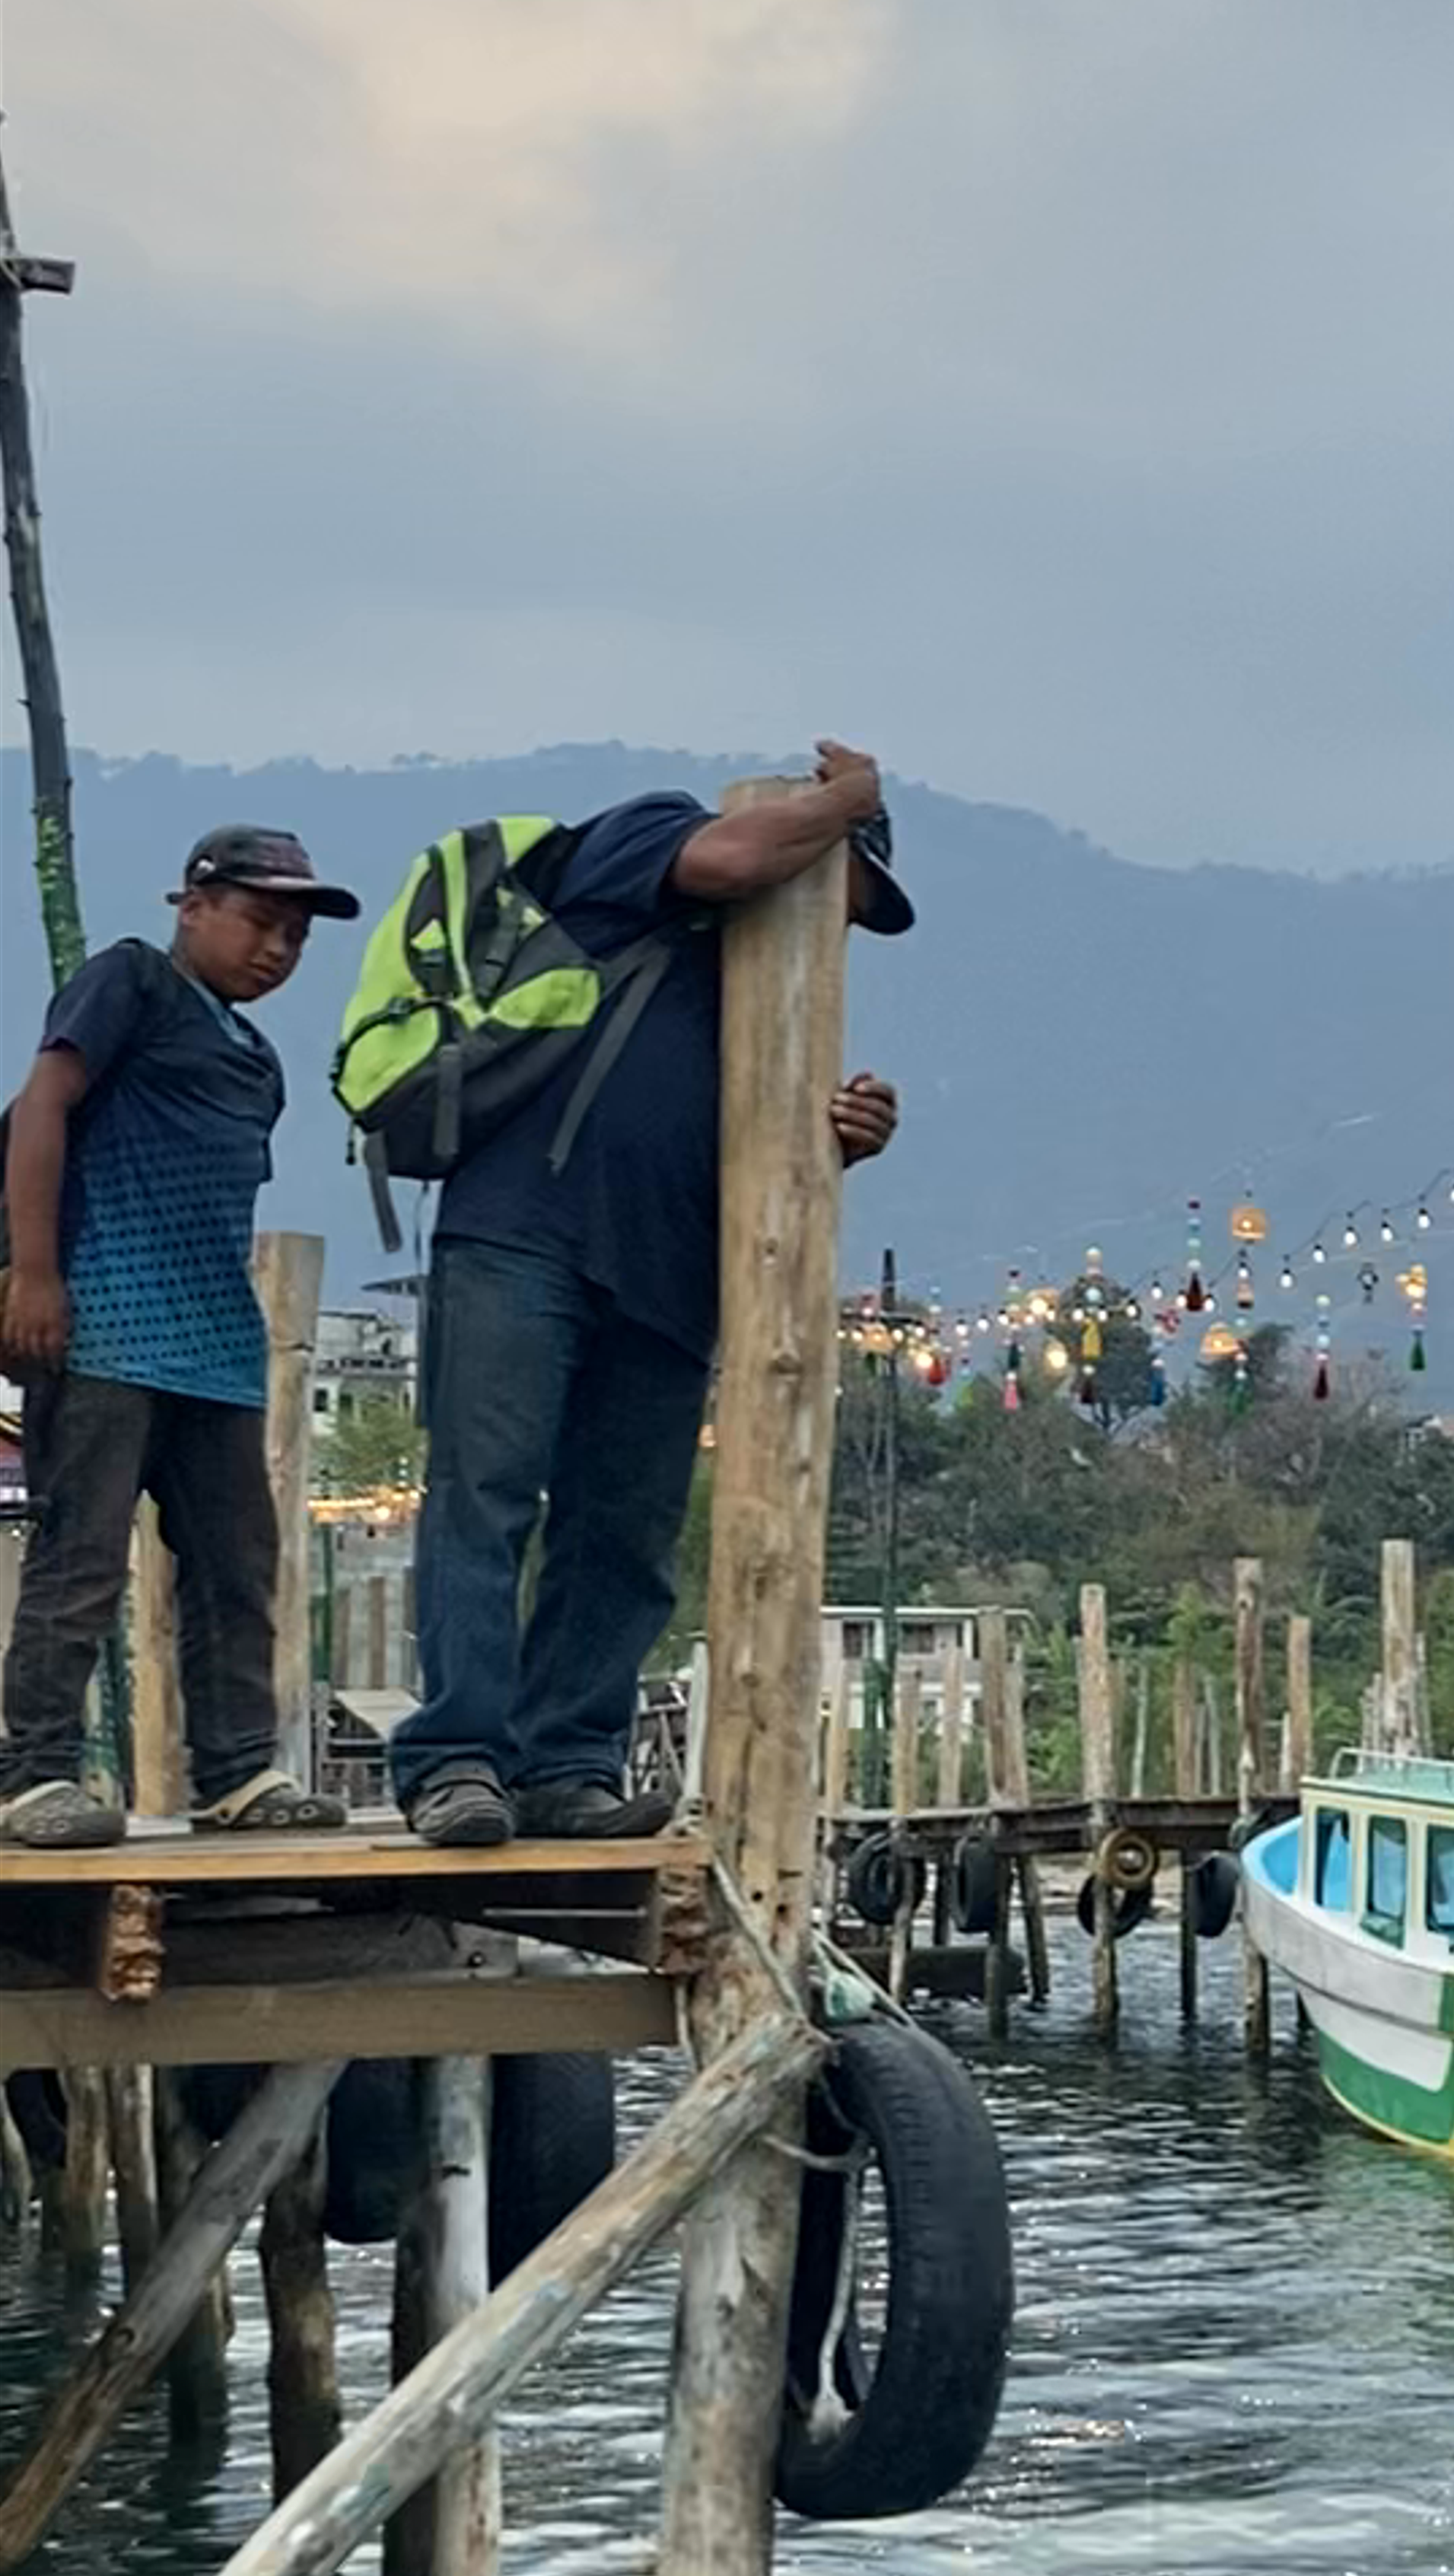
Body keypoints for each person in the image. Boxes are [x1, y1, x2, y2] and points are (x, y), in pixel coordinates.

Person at [390, 746, 906, 1850]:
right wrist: (850, 797)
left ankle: (568, 1763)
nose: (838, 921)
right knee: (486, 1496)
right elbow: (726, 860)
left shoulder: (779, 1001)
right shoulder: (644, 844)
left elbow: (751, 1157)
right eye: (839, 882)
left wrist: (838, 1139)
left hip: (671, 1277)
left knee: (623, 1532)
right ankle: (457, 1760)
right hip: (521, 1226)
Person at [0, 826, 361, 1848]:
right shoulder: (130, 982)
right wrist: (34, 1272)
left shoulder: (257, 1056)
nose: (277, 948)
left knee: (236, 1559)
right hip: (108, 1320)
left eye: (295, 934)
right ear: (193, 903)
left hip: (215, 1341)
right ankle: (32, 1774)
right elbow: (43, 1108)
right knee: (83, 1558)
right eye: (259, 919)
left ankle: (238, 1768)